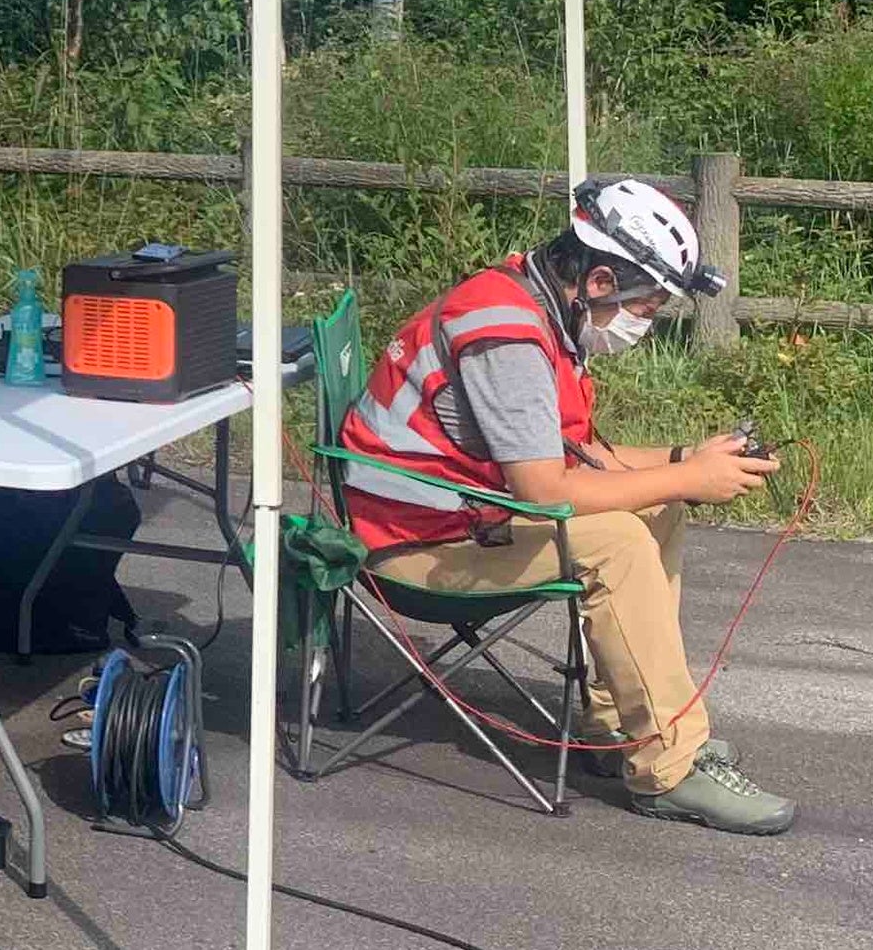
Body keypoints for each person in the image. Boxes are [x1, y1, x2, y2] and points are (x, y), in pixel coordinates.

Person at [333, 177, 795, 834]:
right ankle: (668, 765)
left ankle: (621, 725)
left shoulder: (538, 301)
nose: (648, 322)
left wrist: (683, 461)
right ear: (601, 281)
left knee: (659, 509)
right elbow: (547, 493)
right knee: (617, 541)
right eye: (650, 306)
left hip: (458, 518)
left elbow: (576, 455)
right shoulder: (509, 336)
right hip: (414, 551)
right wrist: (688, 473)